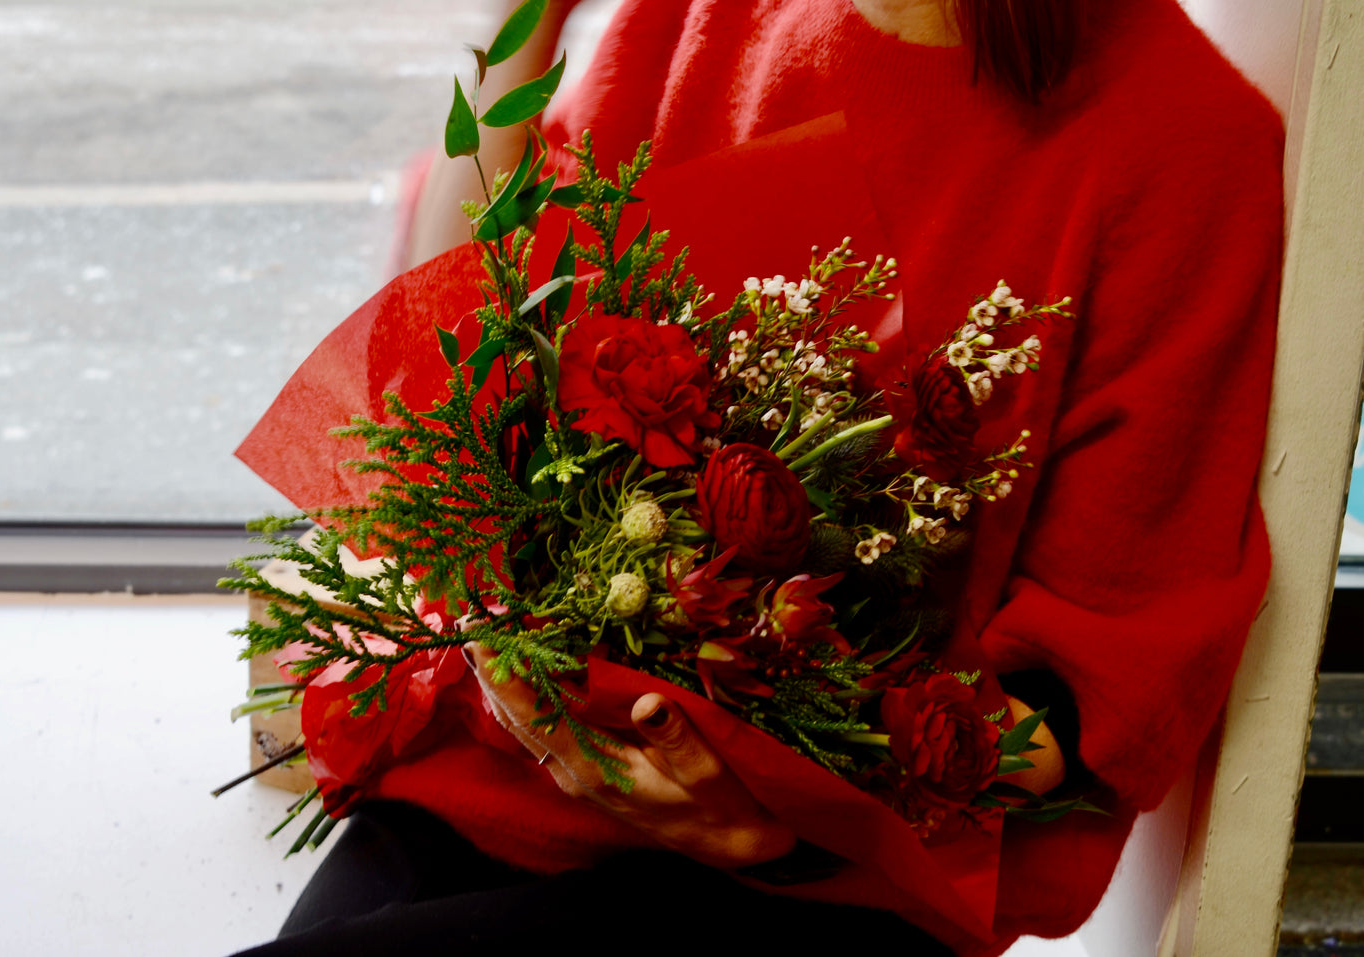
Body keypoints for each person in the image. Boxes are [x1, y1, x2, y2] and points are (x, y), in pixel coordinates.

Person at [233, 0, 1282, 953]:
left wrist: (778, 822)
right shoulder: (689, 17)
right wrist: (525, 22)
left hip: (832, 889)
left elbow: (1085, 699)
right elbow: (454, 358)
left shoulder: (1185, 141)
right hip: (511, 782)